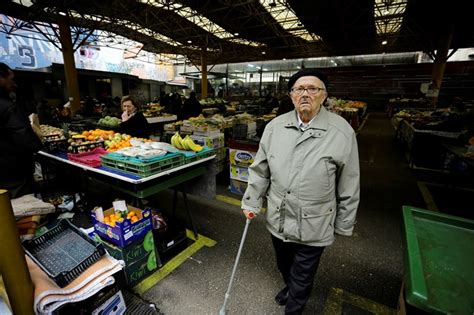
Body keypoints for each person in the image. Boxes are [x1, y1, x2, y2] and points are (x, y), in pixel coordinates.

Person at [241, 68, 360, 314]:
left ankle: (294, 305)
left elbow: (349, 182)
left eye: (312, 89)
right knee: (284, 264)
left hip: (315, 220)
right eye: (299, 89)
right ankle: (291, 286)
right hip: (280, 216)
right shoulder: (275, 127)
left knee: (303, 272)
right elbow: (261, 170)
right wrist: (251, 202)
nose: (305, 94)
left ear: (324, 96)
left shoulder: (342, 132)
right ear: (291, 95)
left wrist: (344, 223)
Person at [0, 63, 43, 199]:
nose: (15, 84)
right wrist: (39, 146)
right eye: (11, 80)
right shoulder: (7, 107)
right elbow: (23, 135)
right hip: (13, 170)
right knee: (23, 207)